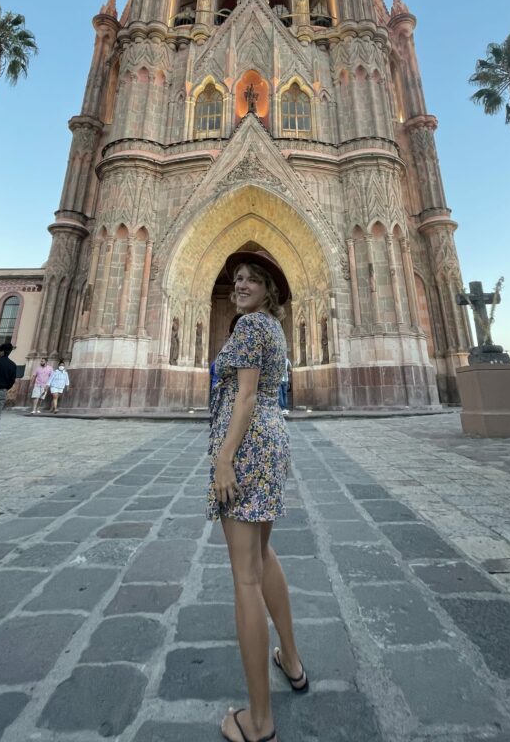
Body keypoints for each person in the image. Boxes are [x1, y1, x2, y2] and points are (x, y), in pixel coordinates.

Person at [209, 251, 306, 742]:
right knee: (263, 554)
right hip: (272, 441)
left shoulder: (248, 328)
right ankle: (291, 658)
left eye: (252, 279)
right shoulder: (271, 327)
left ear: (270, 288)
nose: (241, 284)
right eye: (237, 278)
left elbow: (244, 396)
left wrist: (224, 458)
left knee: (244, 579)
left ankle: (259, 721)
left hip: (246, 446)